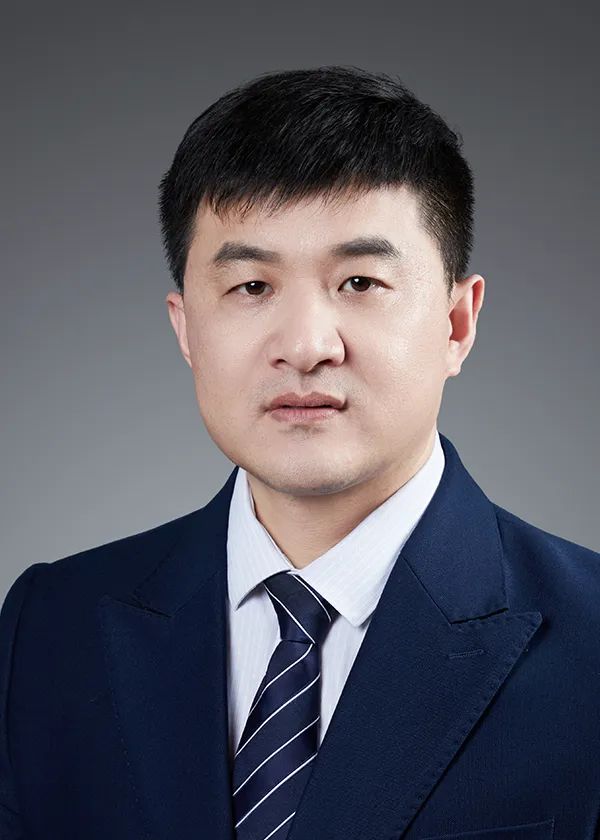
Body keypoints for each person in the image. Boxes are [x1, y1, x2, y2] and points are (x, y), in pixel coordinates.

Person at [0, 65, 598, 840]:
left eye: (360, 282)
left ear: (457, 323)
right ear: (186, 328)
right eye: (251, 287)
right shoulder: (49, 628)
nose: (308, 346)